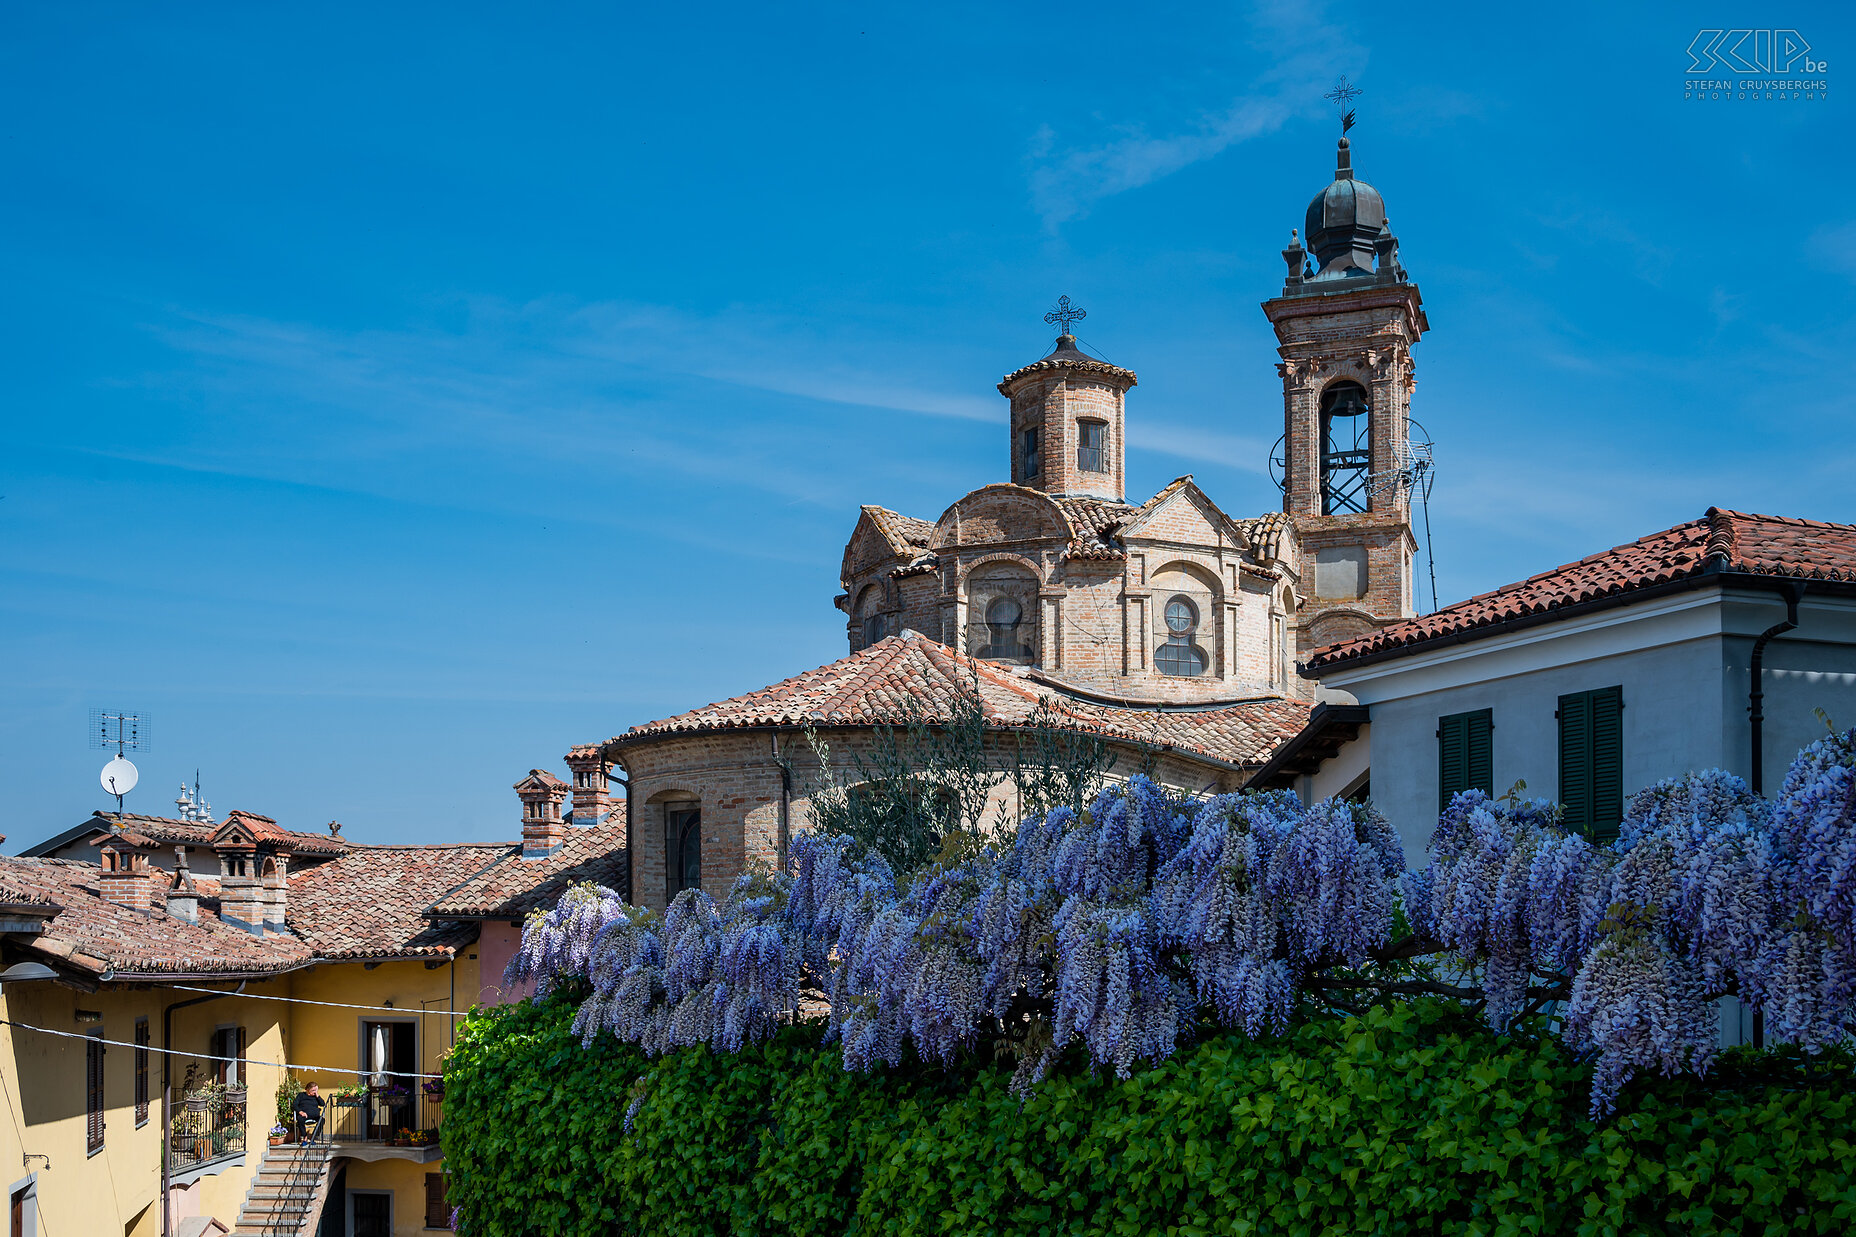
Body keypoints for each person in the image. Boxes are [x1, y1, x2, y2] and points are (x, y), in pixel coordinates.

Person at [292, 1081, 325, 1145]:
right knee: (300, 1119)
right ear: (307, 1089)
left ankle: (313, 1137)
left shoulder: (316, 1097)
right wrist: (301, 1112)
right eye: (313, 1090)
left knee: (322, 1120)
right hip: (304, 1115)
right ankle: (305, 1138)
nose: (315, 1092)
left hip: (315, 1115)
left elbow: (322, 1104)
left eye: (316, 1090)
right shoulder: (301, 1095)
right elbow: (295, 1105)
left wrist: (317, 1096)